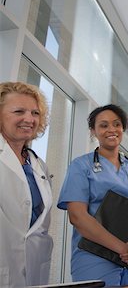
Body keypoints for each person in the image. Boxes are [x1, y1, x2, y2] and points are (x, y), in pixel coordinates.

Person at [57, 104, 128, 286]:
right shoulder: (81, 166)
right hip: (95, 257)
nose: (111, 129)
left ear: (123, 128)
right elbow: (77, 217)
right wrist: (123, 250)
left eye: (117, 124)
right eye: (103, 125)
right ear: (93, 131)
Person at [0, 81, 53, 287]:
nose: (29, 119)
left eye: (35, 113)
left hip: (34, 264)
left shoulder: (39, 166)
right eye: (19, 111)